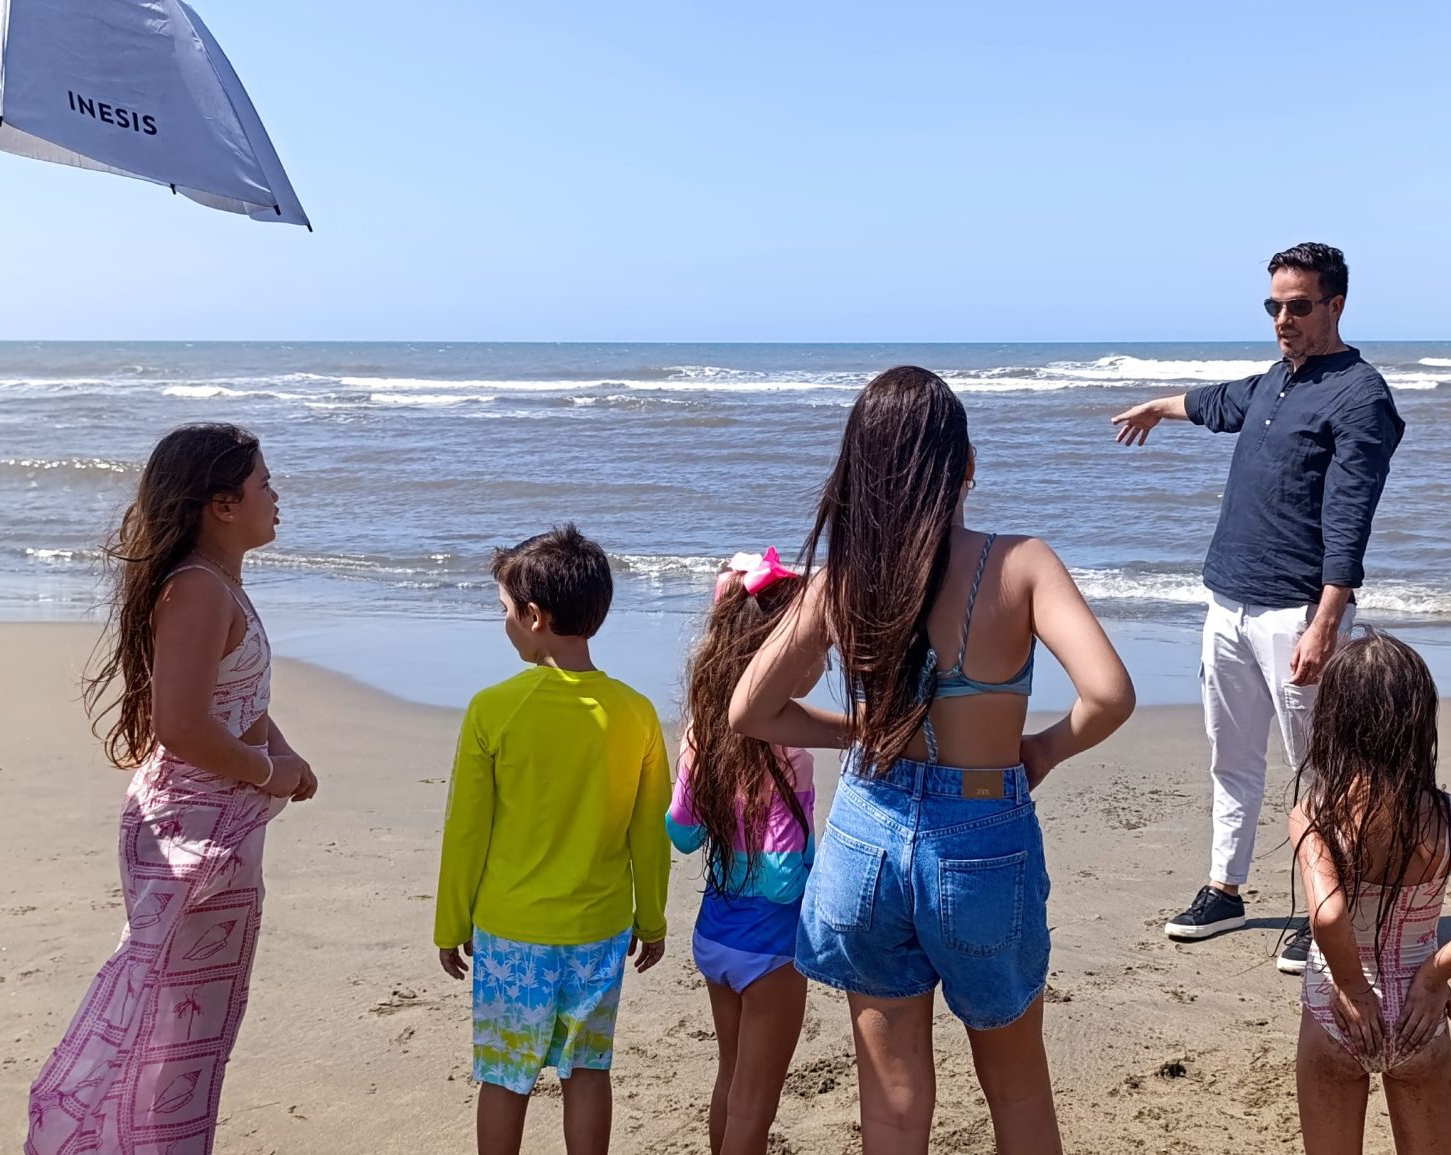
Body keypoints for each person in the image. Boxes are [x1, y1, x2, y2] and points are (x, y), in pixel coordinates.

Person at [733, 366, 1135, 1154]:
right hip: (981, 836)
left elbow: (752, 708)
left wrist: (863, 729)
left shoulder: (846, 577)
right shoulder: (1021, 563)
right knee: (1016, 1090)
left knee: (891, 1100)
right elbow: (1109, 693)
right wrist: (1045, 750)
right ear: (968, 465)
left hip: (865, 838)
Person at [1109, 242, 1406, 972]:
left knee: (1320, 769)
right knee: (1232, 758)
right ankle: (1225, 888)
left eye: (1298, 306)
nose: (1282, 318)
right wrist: (1161, 406)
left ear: (1335, 305)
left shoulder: (1359, 396)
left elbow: (1351, 514)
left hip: (1296, 614)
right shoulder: (1276, 381)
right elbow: (1216, 403)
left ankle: (1321, 908)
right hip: (1228, 604)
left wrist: (1327, 620)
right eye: (1273, 305)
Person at [26, 424, 315, 1155]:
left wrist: (281, 749)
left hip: (214, 829)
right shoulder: (197, 588)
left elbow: (232, 696)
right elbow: (181, 723)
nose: (276, 496)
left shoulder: (216, 585)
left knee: (191, 1024)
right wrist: (268, 771)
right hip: (188, 834)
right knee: (160, 1020)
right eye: (263, 483)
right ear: (222, 503)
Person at [436, 525, 670, 1155]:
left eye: (507, 612)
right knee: (588, 1069)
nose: (505, 624)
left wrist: (450, 920)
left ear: (535, 617)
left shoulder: (494, 708)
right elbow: (648, 831)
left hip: (512, 929)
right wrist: (651, 917)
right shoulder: (637, 712)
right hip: (598, 926)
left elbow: (466, 831)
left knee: (506, 1073)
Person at [1290, 632, 1451, 1155]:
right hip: (1419, 1018)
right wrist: (1434, 975)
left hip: (1339, 1012)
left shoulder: (1317, 813)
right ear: (1420, 721)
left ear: (1333, 722)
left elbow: (1328, 917)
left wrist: (1352, 988)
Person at [667, 547, 814, 1155]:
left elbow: (682, 833)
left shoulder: (703, 730)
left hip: (715, 935)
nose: (822, 657)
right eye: (811, 648)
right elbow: (782, 876)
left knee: (730, 1080)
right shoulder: (790, 751)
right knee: (757, 1102)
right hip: (769, 949)